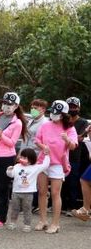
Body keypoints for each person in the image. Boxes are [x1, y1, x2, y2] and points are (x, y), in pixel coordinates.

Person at [0, 92, 26, 227]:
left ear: (16, 106)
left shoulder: (17, 122)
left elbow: (12, 142)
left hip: (7, 157)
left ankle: (0, 217)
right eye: (5, 103)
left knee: (3, 187)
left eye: (10, 104)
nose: (7, 106)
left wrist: (1, 136)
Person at [35, 100, 77, 234]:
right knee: (42, 191)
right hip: (43, 161)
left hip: (58, 163)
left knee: (55, 193)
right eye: (52, 112)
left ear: (64, 115)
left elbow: (73, 146)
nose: (54, 115)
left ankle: (55, 223)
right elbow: (37, 140)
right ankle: (43, 220)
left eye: (57, 113)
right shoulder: (45, 125)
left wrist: (67, 140)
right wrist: (43, 147)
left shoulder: (70, 128)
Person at [6, 148, 50, 232]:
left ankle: (27, 224)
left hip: (28, 193)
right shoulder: (17, 166)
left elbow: (45, 165)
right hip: (16, 192)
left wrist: (47, 155)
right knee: (14, 208)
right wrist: (9, 170)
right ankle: (13, 222)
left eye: (25, 158)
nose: (22, 159)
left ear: (31, 160)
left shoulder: (35, 167)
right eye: (21, 157)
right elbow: (11, 175)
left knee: (27, 209)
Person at [63, 97, 88, 212]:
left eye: (75, 107)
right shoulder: (63, 120)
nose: (73, 109)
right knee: (62, 182)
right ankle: (61, 206)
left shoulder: (83, 122)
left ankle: (72, 207)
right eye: (70, 107)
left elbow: (80, 138)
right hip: (62, 155)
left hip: (75, 157)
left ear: (78, 108)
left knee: (73, 182)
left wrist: (70, 138)